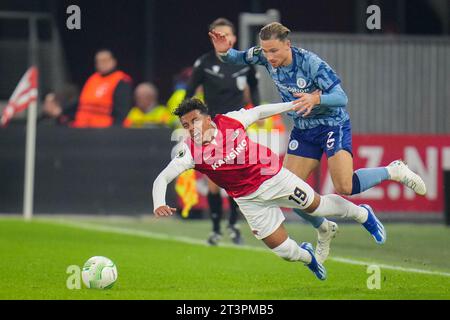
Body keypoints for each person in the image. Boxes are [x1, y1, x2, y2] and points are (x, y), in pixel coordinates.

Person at [209, 22, 427, 263]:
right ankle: (324, 229)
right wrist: (224, 52)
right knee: (290, 193)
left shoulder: (311, 64)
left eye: (274, 51)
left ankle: (392, 170)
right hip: (303, 131)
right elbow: (236, 58)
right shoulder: (263, 55)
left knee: (344, 186)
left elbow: (341, 97)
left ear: (287, 45)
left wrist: (316, 97)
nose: (269, 57)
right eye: (265, 51)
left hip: (332, 125)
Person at [152, 98, 387, 281]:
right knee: (285, 252)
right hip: (248, 200)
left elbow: (261, 111)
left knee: (319, 207)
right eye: (185, 125)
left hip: (274, 178)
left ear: (207, 118)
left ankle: (363, 214)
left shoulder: (231, 121)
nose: (191, 128)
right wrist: (159, 203)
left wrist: (292, 106)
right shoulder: (189, 152)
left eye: (194, 121)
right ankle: (308, 257)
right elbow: (162, 178)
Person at [185, 18, 261, 246]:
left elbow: (254, 90)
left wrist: (257, 114)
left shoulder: (245, 63)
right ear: (213, 37)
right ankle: (216, 229)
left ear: (234, 38)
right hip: (212, 128)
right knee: (214, 181)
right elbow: (189, 93)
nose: (223, 39)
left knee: (237, 178)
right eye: (219, 35)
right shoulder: (204, 63)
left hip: (237, 127)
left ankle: (234, 225)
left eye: (227, 35)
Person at [70, 49, 132, 128]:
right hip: (82, 129)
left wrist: (114, 132)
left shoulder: (121, 80)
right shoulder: (92, 79)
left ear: (113, 61)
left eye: (105, 60)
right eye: (98, 61)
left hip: (104, 132)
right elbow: (82, 104)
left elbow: (121, 112)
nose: (101, 64)